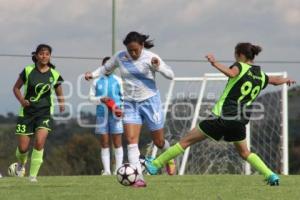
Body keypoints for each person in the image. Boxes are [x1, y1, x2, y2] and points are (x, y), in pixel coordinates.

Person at [145, 42, 296, 186]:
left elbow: (231, 73)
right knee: (245, 152)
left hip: (222, 116)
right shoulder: (260, 75)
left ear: (240, 54)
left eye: (235, 55)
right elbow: (274, 80)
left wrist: (214, 63)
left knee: (186, 141)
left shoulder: (239, 66)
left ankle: (155, 165)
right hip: (240, 121)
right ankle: (270, 175)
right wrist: (285, 80)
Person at [85, 31, 175, 187]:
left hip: (150, 102)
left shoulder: (150, 57)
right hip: (130, 103)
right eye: (130, 50)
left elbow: (170, 75)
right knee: (131, 141)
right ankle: (138, 178)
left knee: (158, 141)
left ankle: (168, 156)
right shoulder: (120, 57)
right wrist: (92, 75)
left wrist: (158, 67)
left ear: (142, 46)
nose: (133, 53)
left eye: (136, 50)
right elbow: (105, 69)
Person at [13, 44, 65, 182]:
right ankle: (21, 163)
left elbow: (59, 90)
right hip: (26, 114)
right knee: (23, 148)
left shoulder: (54, 74)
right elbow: (16, 88)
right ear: (36, 56)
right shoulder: (28, 71)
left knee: (40, 142)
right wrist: (22, 100)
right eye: (41, 54)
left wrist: (61, 103)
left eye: (47, 54)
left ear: (50, 56)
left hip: (44, 113)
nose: (44, 56)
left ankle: (33, 176)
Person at [88, 56, 124, 175]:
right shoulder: (96, 81)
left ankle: (118, 169)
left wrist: (122, 110)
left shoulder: (118, 80)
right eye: (105, 66)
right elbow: (90, 98)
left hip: (116, 114)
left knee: (117, 142)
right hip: (102, 114)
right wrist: (100, 99)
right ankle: (107, 170)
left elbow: (124, 97)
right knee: (104, 142)